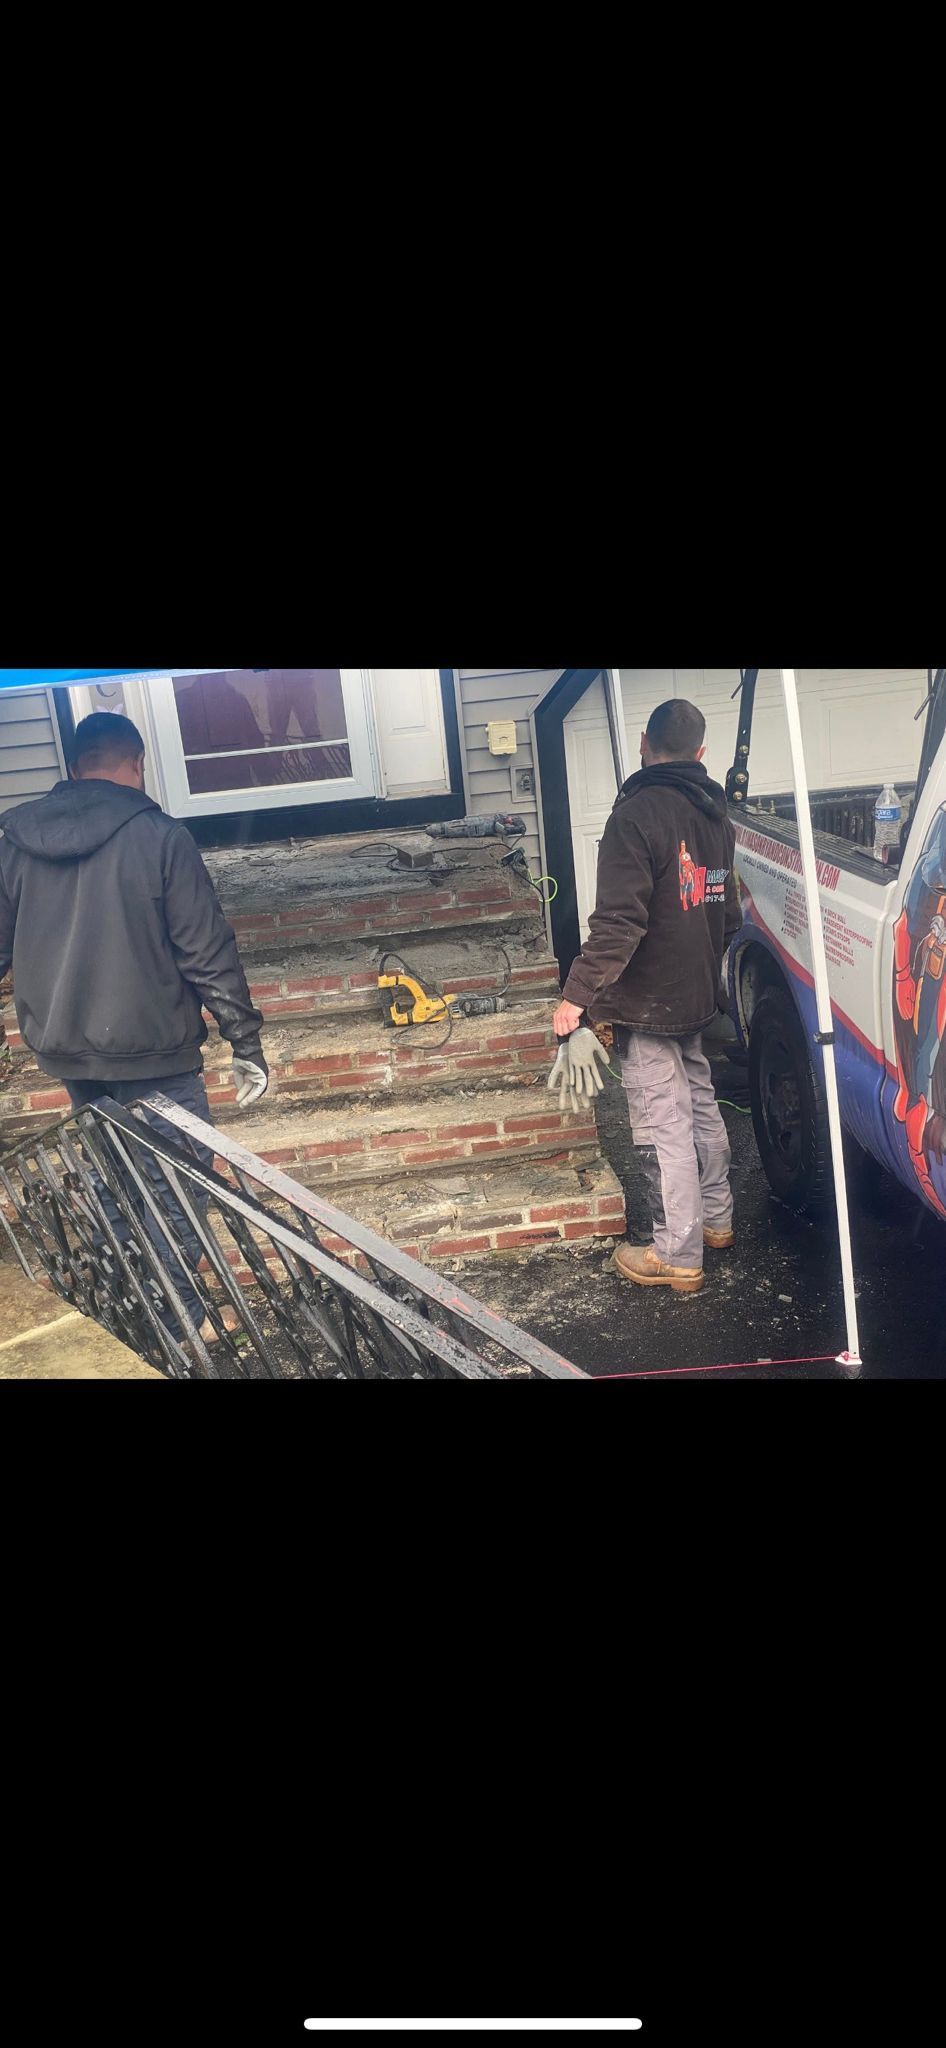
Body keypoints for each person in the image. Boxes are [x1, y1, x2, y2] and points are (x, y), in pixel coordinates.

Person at [0, 711, 269, 1351]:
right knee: (176, 1191)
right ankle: (167, 1336)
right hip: (158, 1056)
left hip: (71, 1053)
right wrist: (245, 1041)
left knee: (113, 1179)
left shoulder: (13, 840)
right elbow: (206, 950)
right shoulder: (159, 836)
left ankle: (123, 1319)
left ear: (73, 765)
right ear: (137, 764)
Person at [552, 699, 741, 1296]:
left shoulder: (635, 816)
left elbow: (618, 924)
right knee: (702, 1107)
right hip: (695, 992)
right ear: (701, 753)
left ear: (642, 744)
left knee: (663, 1127)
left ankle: (675, 1253)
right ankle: (717, 1221)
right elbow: (728, 912)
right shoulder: (717, 815)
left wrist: (574, 999)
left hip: (649, 999)